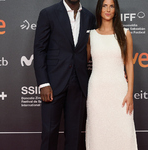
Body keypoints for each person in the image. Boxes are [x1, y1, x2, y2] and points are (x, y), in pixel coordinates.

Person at [33, 0, 95, 149]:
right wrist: (44, 83)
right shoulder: (48, 14)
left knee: (74, 136)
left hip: (79, 83)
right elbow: (39, 50)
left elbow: (94, 50)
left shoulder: (89, 17)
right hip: (53, 83)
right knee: (49, 133)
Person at [86, 0, 138, 149]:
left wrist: (130, 92)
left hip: (119, 92)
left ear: (116, 10)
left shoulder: (125, 34)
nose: (108, 9)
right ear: (99, 9)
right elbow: (80, 62)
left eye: (111, 6)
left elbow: (129, 63)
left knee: (123, 132)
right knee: (98, 133)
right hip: (97, 92)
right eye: (104, 5)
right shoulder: (91, 36)